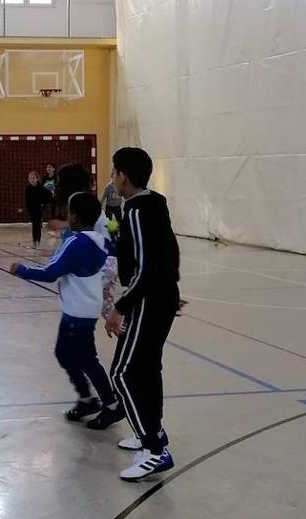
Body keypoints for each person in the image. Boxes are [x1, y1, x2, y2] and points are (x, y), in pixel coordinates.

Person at [106, 147, 181, 481]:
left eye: (113, 172)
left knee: (123, 373)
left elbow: (146, 267)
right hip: (159, 297)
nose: (112, 179)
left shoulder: (136, 210)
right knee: (148, 368)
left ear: (123, 175)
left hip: (147, 301)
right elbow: (169, 250)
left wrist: (120, 308)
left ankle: (155, 450)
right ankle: (153, 432)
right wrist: (172, 289)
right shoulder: (155, 203)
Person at [10, 192, 118, 422]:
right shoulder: (101, 240)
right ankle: (87, 399)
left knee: (87, 359)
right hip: (85, 308)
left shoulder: (75, 243)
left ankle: (111, 404)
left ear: (75, 218)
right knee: (64, 353)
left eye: (69, 213)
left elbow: (50, 273)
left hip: (77, 312)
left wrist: (22, 270)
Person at [25, 170, 52, 249]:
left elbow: (48, 196)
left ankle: (38, 243)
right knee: (34, 225)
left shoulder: (41, 188)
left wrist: (43, 204)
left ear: (37, 179)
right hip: (32, 209)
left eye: (33, 178)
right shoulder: (28, 189)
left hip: (39, 209)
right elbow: (27, 201)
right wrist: (29, 210)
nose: (32, 180)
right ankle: (34, 243)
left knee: (37, 226)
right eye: (30, 178)